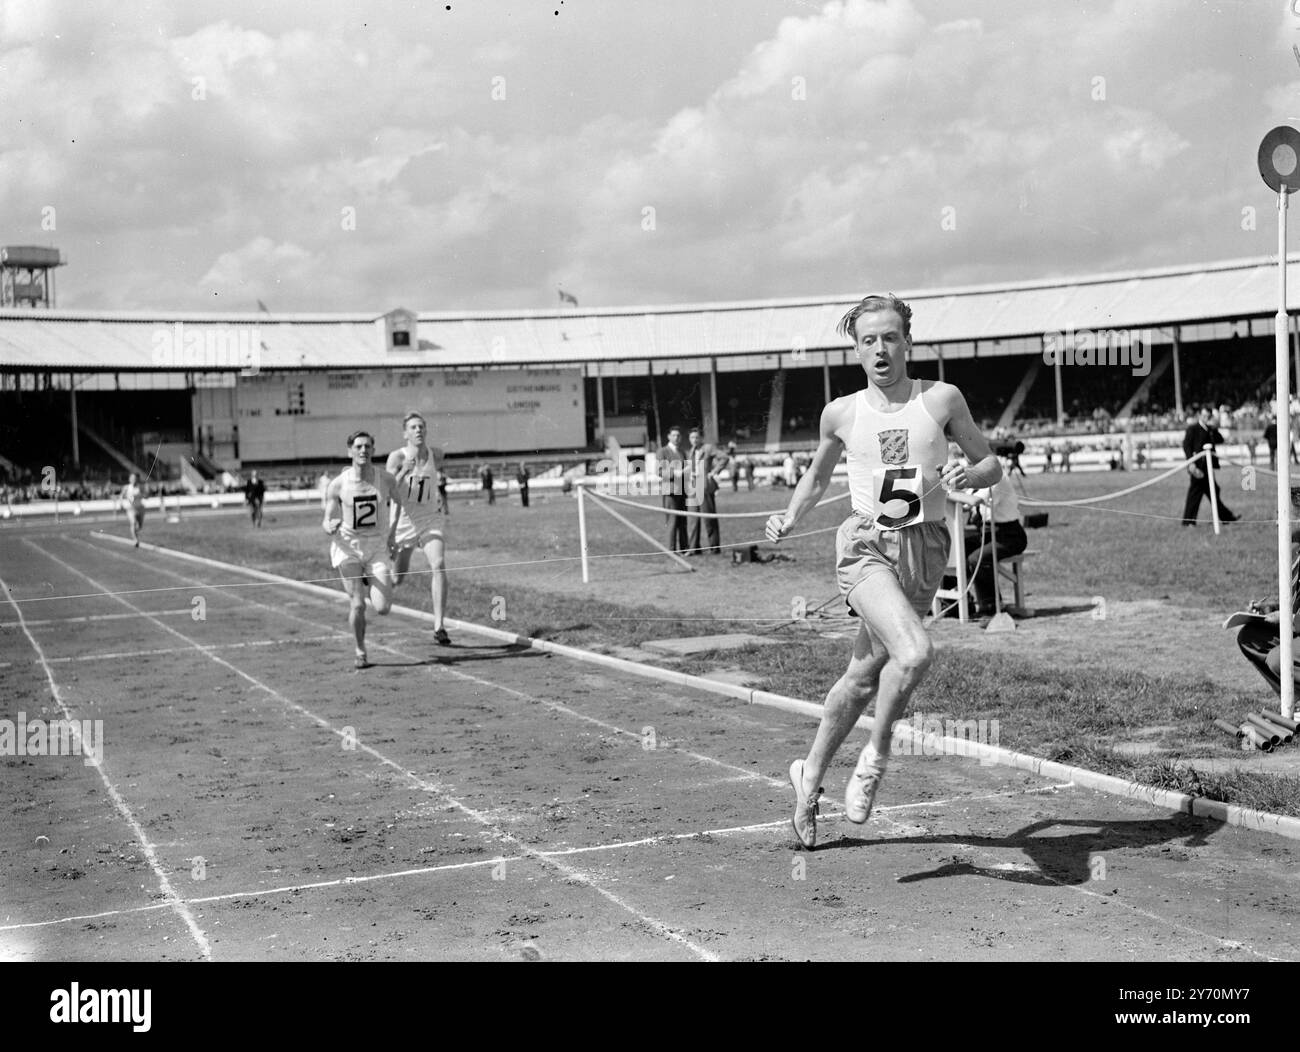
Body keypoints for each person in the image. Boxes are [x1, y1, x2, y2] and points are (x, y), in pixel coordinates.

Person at [766, 293, 1000, 850]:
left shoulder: (941, 399)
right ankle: (876, 757)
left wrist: (973, 476)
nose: (880, 349)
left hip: (926, 548)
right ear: (856, 349)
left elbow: (990, 462)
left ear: (907, 342)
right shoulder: (841, 413)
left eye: (889, 337)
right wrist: (790, 515)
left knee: (864, 673)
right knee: (914, 652)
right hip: (867, 547)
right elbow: (818, 477)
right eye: (868, 340)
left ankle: (809, 779)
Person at [324, 430, 407, 669]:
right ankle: (360, 650)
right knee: (358, 604)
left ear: (373, 449)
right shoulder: (338, 484)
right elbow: (326, 519)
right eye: (358, 446)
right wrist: (330, 526)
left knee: (382, 608)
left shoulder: (385, 479)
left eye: (368, 446)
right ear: (350, 450)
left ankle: (369, 577)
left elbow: (398, 504)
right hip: (348, 548)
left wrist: (392, 535)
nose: (363, 450)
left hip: (377, 547)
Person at [385, 412, 451, 646]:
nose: (418, 430)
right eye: (413, 427)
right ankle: (380, 582)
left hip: (430, 520)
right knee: (397, 578)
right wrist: (404, 470)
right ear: (405, 433)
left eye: (421, 426)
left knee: (437, 564)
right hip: (404, 522)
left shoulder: (436, 454)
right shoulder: (396, 457)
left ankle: (439, 626)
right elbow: (388, 490)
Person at [950, 455, 1028, 617]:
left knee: (977, 558)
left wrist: (946, 492)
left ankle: (991, 606)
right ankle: (953, 602)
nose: (969, 464)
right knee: (956, 549)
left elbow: (972, 502)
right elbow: (964, 500)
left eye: (973, 462)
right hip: (988, 533)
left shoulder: (996, 478)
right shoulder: (974, 480)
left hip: (1009, 535)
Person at [1182, 405, 1238, 527]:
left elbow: (1220, 439)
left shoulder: (1210, 430)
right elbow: (1186, 446)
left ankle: (1226, 518)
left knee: (1213, 491)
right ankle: (1188, 521)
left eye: (1208, 416)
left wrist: (1214, 427)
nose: (1205, 418)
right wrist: (1190, 463)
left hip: (1207, 467)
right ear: (1199, 416)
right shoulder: (1193, 429)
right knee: (1196, 494)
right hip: (1197, 467)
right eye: (1204, 415)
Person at [685, 426, 729, 554]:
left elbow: (725, 457)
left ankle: (714, 548)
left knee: (709, 519)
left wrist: (714, 471)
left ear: (701, 438)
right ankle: (693, 549)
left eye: (697, 437)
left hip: (705, 487)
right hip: (693, 489)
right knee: (693, 520)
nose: (694, 440)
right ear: (689, 439)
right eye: (692, 437)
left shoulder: (708, 448)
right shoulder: (690, 451)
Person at [658, 426, 688, 553]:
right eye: (674, 435)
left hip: (682, 490)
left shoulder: (682, 452)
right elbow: (659, 471)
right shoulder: (663, 451)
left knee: (683, 521)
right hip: (670, 491)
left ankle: (684, 548)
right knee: (672, 521)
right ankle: (671, 550)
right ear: (669, 436)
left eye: (678, 435)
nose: (676, 438)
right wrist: (675, 473)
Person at [120, 473, 146, 547]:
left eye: (135, 478)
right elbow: (121, 496)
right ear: (129, 479)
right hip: (131, 508)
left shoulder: (140, 487)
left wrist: (142, 495)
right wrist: (121, 504)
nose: (133, 480)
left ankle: (135, 532)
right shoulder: (126, 487)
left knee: (140, 526)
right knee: (133, 523)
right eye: (132, 478)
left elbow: (146, 495)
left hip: (140, 508)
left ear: (137, 479)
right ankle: (135, 540)